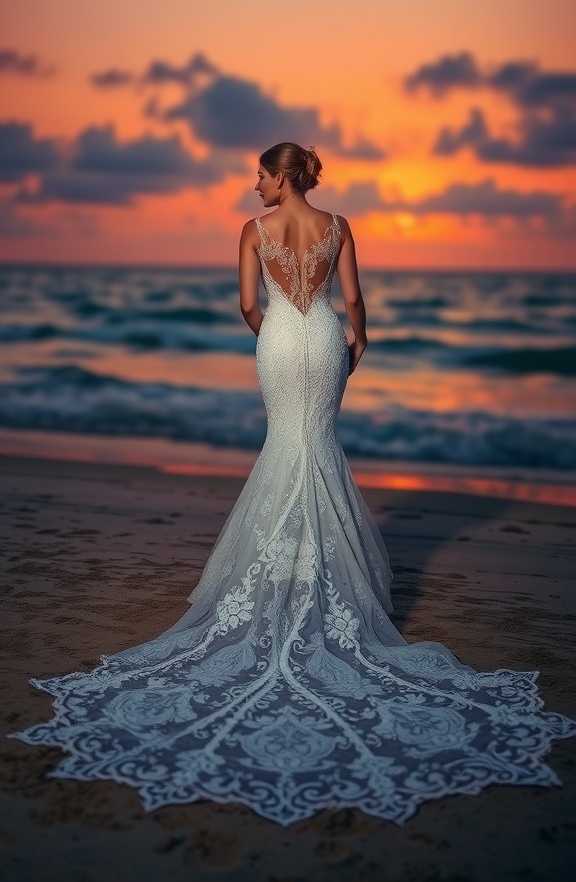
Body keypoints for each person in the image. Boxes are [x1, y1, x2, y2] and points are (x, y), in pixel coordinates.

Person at [11, 142, 576, 826]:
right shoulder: (340, 226)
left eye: (260, 174)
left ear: (284, 177)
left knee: (286, 443)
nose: (254, 184)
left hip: (281, 340)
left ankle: (286, 572)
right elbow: (358, 301)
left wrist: (272, 334)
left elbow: (248, 306)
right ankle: (324, 575)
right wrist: (353, 343)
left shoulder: (254, 232)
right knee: (319, 445)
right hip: (327, 339)